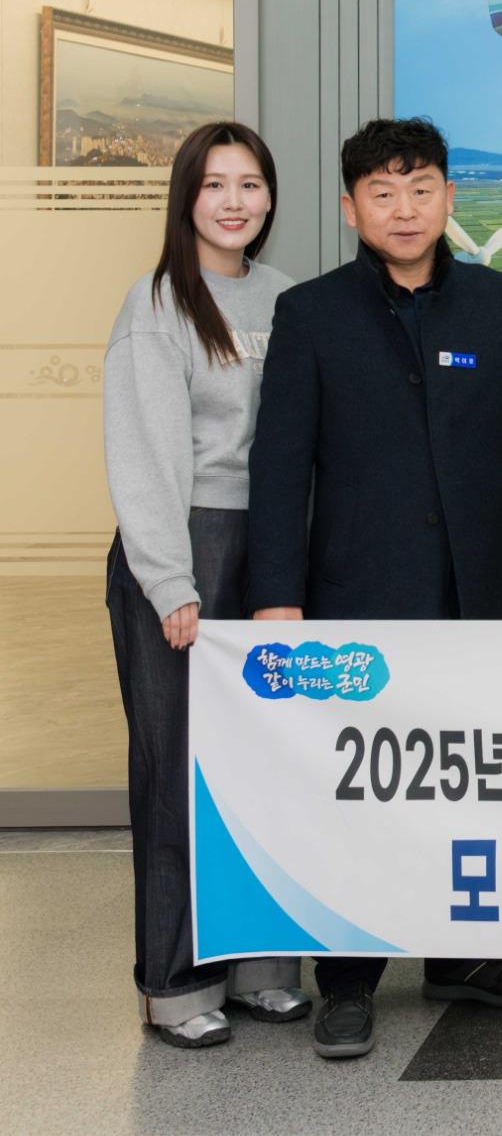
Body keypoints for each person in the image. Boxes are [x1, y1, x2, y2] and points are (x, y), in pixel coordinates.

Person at [247, 117, 502, 1059]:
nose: (404, 208)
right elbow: (280, 466)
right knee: (364, 786)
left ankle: (464, 956)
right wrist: (277, 594)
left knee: (475, 776)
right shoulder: (311, 313)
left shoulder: (496, 300)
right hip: (359, 590)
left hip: (480, 590)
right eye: (382, 192)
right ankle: (348, 980)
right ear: (351, 208)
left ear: (448, 198)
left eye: (421, 188)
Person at [102, 122, 308, 1047]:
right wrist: (168, 579)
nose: (234, 201)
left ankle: (263, 967)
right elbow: (143, 453)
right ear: (186, 195)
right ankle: (176, 983)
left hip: (270, 548)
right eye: (215, 184)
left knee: (264, 764)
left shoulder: (286, 297)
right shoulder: (156, 304)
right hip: (184, 545)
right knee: (175, 772)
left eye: (250, 184)